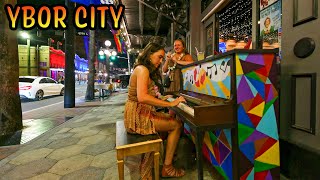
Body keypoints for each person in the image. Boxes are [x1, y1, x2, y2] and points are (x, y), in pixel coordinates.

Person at [124, 42, 187, 179]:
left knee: (170, 122)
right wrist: (170, 104)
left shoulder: (142, 68)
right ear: (149, 54)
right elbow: (142, 97)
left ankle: (162, 158)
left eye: (162, 58)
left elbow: (148, 94)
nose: (160, 61)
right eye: (159, 57)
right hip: (138, 116)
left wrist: (166, 97)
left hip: (137, 113)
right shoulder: (143, 69)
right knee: (176, 125)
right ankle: (167, 168)